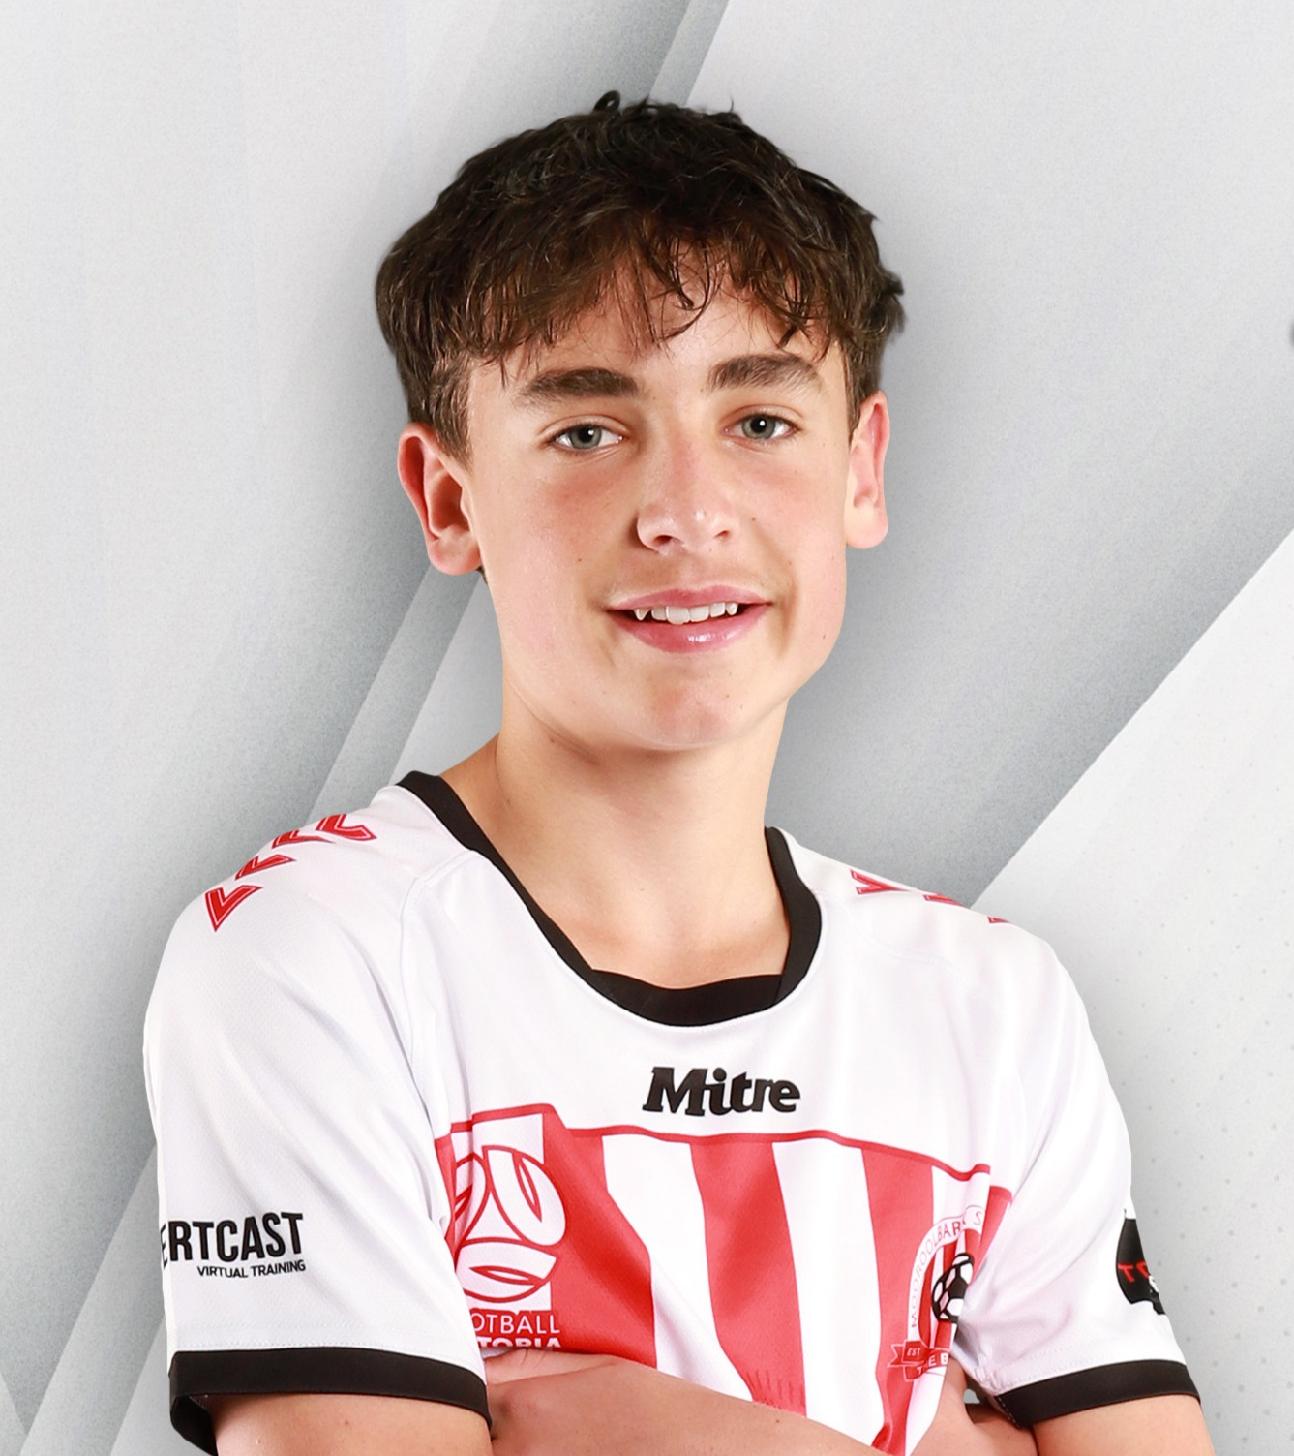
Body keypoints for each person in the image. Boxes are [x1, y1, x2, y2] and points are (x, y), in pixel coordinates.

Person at [141, 92, 1214, 1456]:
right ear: (449, 500)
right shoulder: (313, 952)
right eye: (586, 432)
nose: (686, 512)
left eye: (759, 420)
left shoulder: (993, 1002)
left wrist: (624, 1427)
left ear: (860, 470)